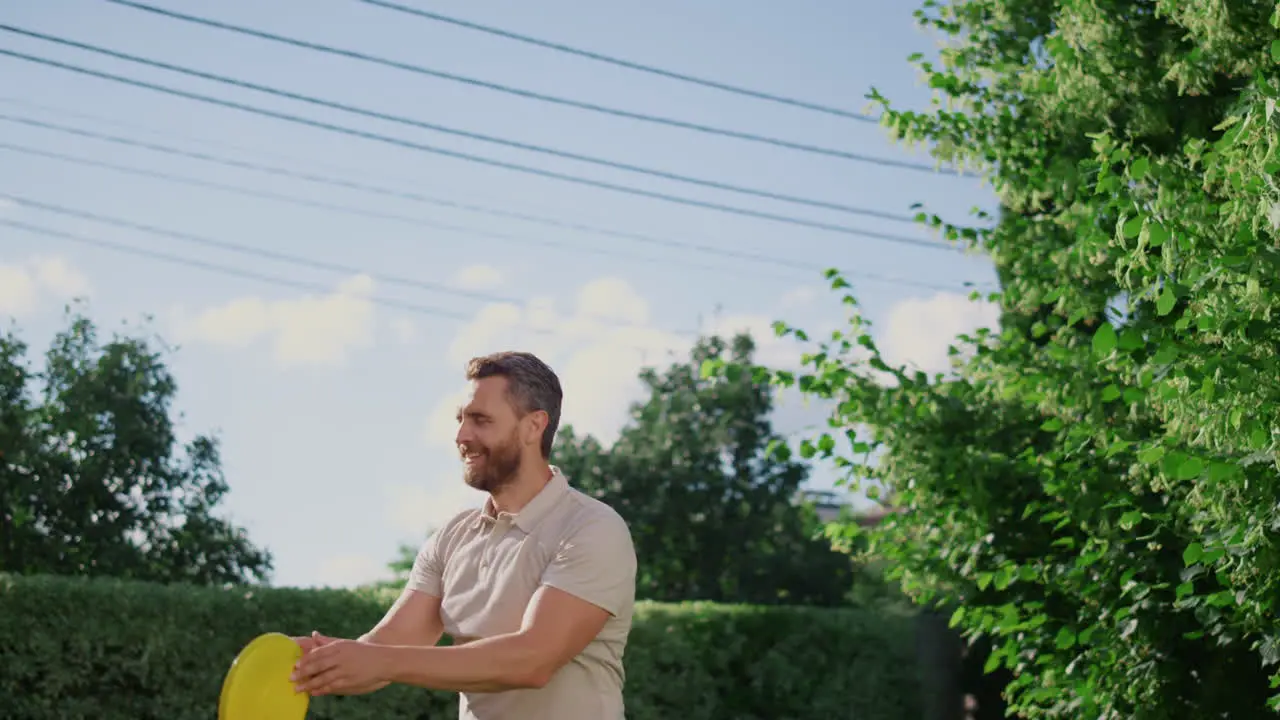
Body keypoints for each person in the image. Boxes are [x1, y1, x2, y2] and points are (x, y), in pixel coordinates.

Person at [289, 351, 638, 719]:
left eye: (480, 420)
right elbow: (387, 646)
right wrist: (321, 659)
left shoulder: (591, 528)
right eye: (461, 419)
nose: (461, 435)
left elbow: (532, 659)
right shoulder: (453, 537)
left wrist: (381, 660)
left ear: (533, 427)